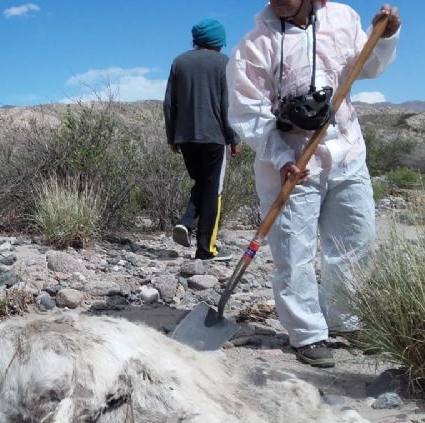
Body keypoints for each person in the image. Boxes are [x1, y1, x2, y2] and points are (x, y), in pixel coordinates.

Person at [227, 0, 401, 367]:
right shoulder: (255, 45)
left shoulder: (343, 18)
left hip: (347, 152)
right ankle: (306, 333)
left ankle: (346, 319)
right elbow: (247, 110)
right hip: (292, 162)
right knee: (294, 251)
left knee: (355, 241)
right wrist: (280, 157)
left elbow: (368, 66)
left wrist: (384, 37)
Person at [164, 18, 241, 261]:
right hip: (214, 136)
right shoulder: (224, 63)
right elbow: (227, 105)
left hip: (185, 136)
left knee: (202, 183)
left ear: (195, 40)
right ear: (219, 42)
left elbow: (169, 104)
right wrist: (233, 137)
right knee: (213, 190)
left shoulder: (179, 62)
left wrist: (172, 136)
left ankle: (186, 222)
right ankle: (206, 249)